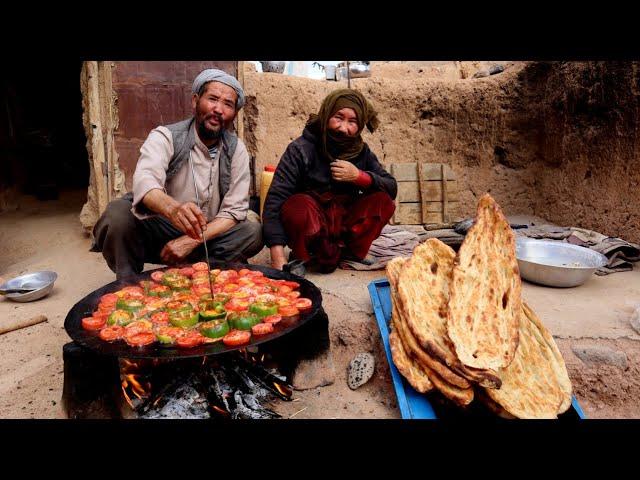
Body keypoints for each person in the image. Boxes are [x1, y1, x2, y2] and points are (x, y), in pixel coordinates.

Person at [91, 68, 263, 280]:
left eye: (228, 104)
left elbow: (234, 211)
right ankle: (128, 284)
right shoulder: (166, 136)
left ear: (234, 114)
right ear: (195, 101)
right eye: (213, 99)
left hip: (207, 239)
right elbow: (146, 184)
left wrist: (191, 240)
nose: (218, 109)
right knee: (118, 214)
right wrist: (174, 209)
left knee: (253, 230)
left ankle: (201, 271)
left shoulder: (237, 150)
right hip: (163, 232)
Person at [262, 88, 397, 273]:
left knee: (383, 201)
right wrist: (277, 258)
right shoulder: (301, 149)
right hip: (313, 228)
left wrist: (359, 176)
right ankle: (302, 257)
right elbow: (275, 199)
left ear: (360, 126)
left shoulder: (361, 151)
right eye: (338, 118)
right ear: (326, 115)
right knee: (298, 205)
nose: (343, 128)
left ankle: (351, 253)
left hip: (342, 225)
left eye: (352, 122)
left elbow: (391, 186)